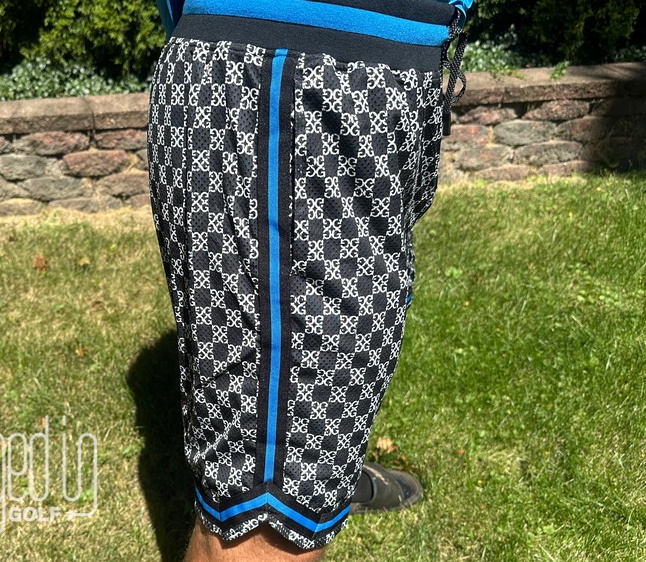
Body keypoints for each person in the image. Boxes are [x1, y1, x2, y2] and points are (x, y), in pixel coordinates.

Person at [147, 1, 470, 560]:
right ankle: (292, 482)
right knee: (262, 506)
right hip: (298, 76)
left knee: (323, 392)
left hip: (374, 70)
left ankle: (321, 466)